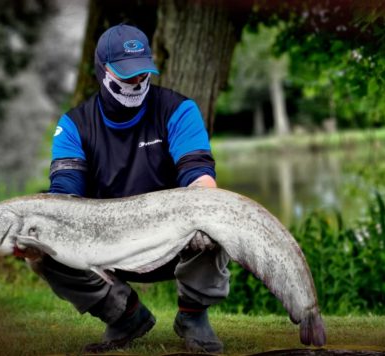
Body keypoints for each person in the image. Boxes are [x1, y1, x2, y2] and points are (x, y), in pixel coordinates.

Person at [15, 24, 230, 354]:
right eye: (127, 74)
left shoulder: (179, 110)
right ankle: (125, 314)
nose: (138, 81)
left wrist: (205, 204)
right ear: (102, 71)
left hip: (174, 242)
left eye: (143, 73)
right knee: (44, 252)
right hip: (106, 249)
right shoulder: (73, 125)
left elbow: (198, 173)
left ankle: (193, 316)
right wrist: (40, 236)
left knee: (216, 213)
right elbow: (65, 196)